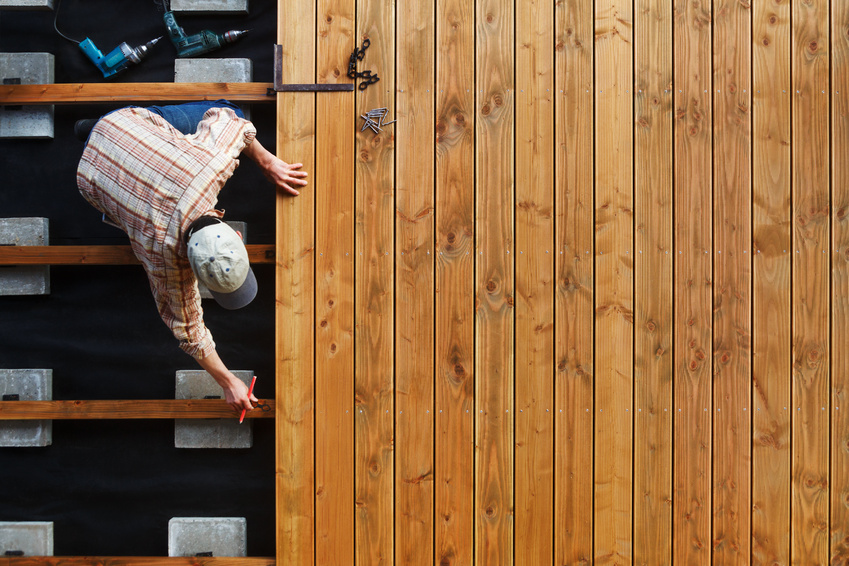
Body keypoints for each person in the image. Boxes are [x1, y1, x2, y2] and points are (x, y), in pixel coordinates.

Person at [75, 100, 307, 412]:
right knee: (133, 225)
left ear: (236, 235)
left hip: (118, 129)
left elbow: (234, 122)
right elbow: (188, 331)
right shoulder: (161, 259)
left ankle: (96, 134)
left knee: (231, 110)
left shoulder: (209, 166)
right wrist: (227, 382)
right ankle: (98, 143)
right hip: (89, 175)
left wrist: (268, 163)